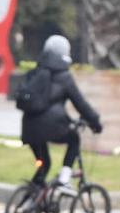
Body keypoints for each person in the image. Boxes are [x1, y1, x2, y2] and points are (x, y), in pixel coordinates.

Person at [20, 35, 102, 194]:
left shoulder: (35, 73)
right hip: (52, 127)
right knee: (74, 139)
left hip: (29, 129)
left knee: (44, 163)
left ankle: (28, 205)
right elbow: (81, 105)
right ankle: (64, 180)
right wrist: (96, 123)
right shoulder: (64, 77)